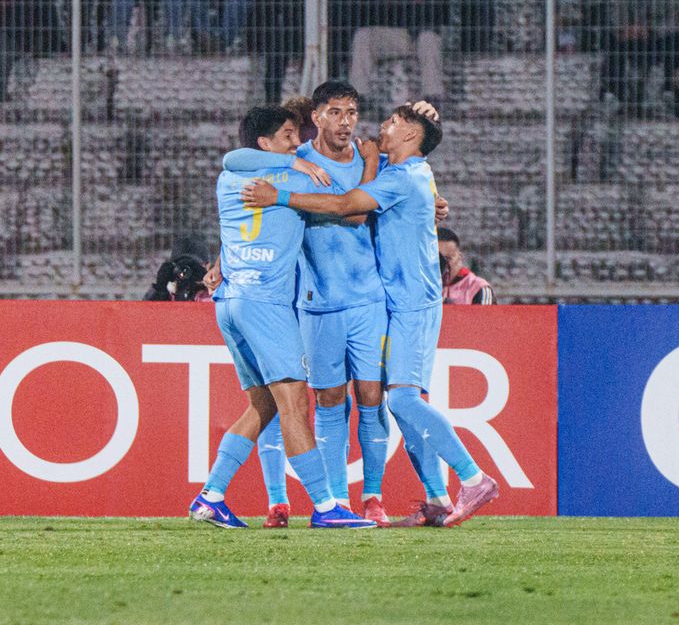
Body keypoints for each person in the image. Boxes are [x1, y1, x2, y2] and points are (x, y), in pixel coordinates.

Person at [242, 104, 500, 528]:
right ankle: (436, 498)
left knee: (400, 399)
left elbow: (348, 205)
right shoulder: (409, 172)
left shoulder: (400, 177)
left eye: (394, 123)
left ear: (411, 137)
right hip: (398, 301)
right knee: (404, 403)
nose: (382, 125)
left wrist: (280, 197)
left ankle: (473, 478)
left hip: (412, 304)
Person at [190, 105, 376, 529]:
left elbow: (232, 159)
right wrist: (361, 164)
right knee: (296, 406)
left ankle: (211, 495)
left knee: (262, 405)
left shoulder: (229, 178)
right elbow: (352, 208)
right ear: (266, 144)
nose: (298, 143)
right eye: (289, 135)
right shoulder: (296, 174)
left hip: (231, 302)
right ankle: (327, 508)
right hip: (266, 304)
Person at [438, 227, 494, 304]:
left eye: (448, 258)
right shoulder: (421, 288)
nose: (442, 264)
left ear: (459, 257)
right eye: (437, 259)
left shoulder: (478, 288)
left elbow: (487, 316)